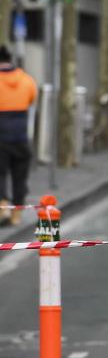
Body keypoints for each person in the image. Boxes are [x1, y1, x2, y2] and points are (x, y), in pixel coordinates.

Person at [0, 45, 38, 227]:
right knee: (20, 176)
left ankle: (2, 206)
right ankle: (16, 215)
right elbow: (32, 99)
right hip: (21, 138)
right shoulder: (26, 80)